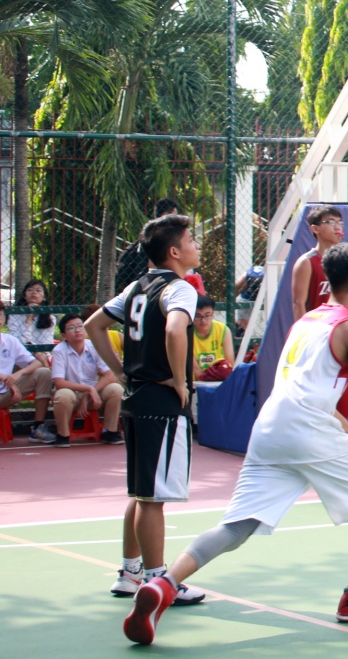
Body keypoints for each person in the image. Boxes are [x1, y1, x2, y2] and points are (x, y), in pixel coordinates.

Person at [121, 242, 348, 644]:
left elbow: (298, 386)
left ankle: (164, 585)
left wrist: (347, 429)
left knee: (237, 526)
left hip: (269, 430)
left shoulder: (306, 322)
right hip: (309, 432)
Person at [86, 214, 206, 605]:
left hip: (135, 397)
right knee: (152, 498)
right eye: (191, 239)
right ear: (175, 251)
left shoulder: (136, 288)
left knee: (141, 492)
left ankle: (130, 571)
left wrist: (121, 371)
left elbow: (93, 326)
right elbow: (175, 330)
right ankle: (159, 582)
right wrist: (178, 379)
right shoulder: (180, 289)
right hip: (160, 398)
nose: (196, 244)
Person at [50, 313, 124, 446]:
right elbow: (59, 382)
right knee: (62, 395)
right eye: (71, 328)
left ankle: (110, 431)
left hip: (94, 395)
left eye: (80, 326)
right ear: (63, 336)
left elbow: (110, 375)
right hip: (72, 394)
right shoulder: (59, 351)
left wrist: (90, 393)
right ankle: (63, 435)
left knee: (116, 389)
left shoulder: (94, 346)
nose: (77, 330)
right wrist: (88, 389)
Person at [0, 310, 53, 443]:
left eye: (0, 315)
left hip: (6, 393)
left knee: (44, 372)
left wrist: (19, 374)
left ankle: (38, 427)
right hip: (9, 387)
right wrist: (11, 383)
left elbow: (36, 363)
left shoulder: (10, 341)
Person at [292, 205, 344, 322]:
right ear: (315, 229)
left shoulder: (346, 261)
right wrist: (304, 336)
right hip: (317, 329)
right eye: (331, 222)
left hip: (340, 329)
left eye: (340, 223)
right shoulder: (306, 262)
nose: (337, 228)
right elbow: (298, 303)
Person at [116, 199, 181, 289]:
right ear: (166, 215)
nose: (176, 218)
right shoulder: (159, 236)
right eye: (175, 214)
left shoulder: (149, 233)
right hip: (150, 282)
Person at [190, 297, 235, 381]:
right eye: (198, 316)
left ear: (213, 313)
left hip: (219, 379)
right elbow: (195, 369)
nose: (203, 320)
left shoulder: (223, 330)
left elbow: (230, 363)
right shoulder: (187, 332)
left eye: (207, 315)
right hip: (195, 382)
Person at [10, 277, 55, 361]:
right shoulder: (15, 315)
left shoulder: (50, 318)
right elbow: (17, 342)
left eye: (38, 291)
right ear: (24, 295)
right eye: (30, 290)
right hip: (19, 352)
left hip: (42, 355)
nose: (34, 293)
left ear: (44, 297)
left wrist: (34, 351)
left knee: (39, 355)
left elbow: (45, 344)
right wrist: (28, 319)